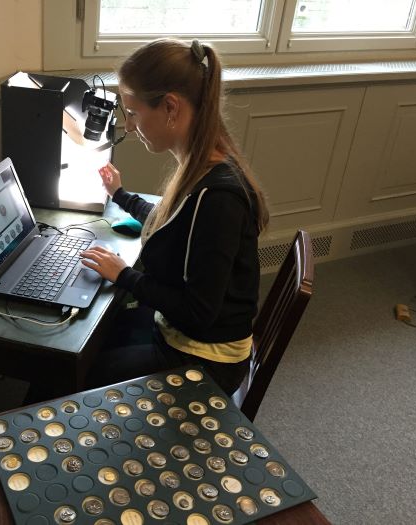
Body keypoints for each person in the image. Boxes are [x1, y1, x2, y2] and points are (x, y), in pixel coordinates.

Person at [79, 38, 269, 396]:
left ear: (170, 107)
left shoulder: (217, 198)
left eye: (133, 113)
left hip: (205, 359)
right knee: (95, 336)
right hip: (183, 334)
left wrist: (125, 276)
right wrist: (121, 196)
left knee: (80, 373)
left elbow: (197, 313)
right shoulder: (201, 166)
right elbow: (175, 224)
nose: (131, 126)